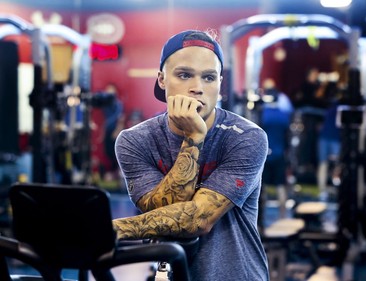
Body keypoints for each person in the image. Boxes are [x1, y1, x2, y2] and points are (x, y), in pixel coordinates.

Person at [112, 30, 270, 281]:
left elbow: (196, 220)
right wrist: (192, 139)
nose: (197, 88)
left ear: (220, 83)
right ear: (162, 80)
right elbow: (166, 213)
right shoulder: (135, 141)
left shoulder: (246, 137)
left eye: (208, 78)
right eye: (184, 75)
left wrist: (111, 229)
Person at [260, 80, 293, 218]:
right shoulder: (283, 116)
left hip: (265, 154)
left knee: (263, 186)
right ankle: (283, 216)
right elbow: (288, 137)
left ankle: (262, 217)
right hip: (279, 154)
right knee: (280, 185)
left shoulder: (263, 114)